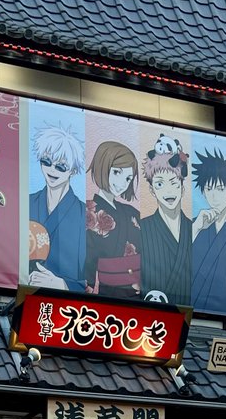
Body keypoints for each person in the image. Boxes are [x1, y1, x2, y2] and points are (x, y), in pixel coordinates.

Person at [28, 126, 86, 291]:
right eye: (46, 162)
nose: (52, 170)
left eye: (61, 166)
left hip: (68, 307)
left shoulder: (85, 216)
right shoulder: (27, 203)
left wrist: (63, 284)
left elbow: (95, 277)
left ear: (73, 170)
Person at [84, 140, 141, 298]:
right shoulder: (87, 212)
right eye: (117, 172)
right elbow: (86, 262)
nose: (122, 182)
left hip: (137, 295)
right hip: (104, 294)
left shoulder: (132, 213)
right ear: (103, 166)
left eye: (128, 178)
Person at [138, 143, 192, 306]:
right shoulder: (141, 229)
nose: (168, 191)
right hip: (148, 315)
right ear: (152, 189)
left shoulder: (194, 230)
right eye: (160, 184)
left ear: (182, 187)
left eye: (174, 182)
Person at [191, 147, 226, 315]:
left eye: (220, 189)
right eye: (208, 189)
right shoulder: (196, 225)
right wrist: (196, 228)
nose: (214, 196)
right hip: (192, 311)